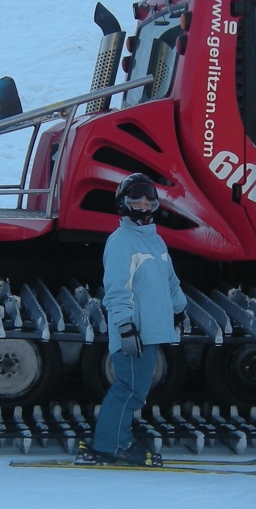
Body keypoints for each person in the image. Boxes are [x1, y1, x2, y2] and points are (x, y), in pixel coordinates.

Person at [79, 173, 187, 466]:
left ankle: (117, 438)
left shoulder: (155, 241)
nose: (141, 206)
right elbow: (117, 290)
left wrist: (179, 308)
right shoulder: (120, 243)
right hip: (134, 333)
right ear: (122, 205)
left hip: (149, 333)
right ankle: (110, 445)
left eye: (147, 201)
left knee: (135, 392)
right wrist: (126, 328)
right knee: (128, 390)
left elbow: (170, 281)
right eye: (134, 201)